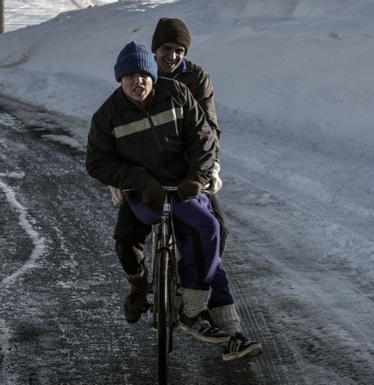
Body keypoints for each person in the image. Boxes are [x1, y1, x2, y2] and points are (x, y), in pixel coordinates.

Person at [86, 41, 262, 361]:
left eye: (143, 75)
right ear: (119, 79)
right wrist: (138, 182)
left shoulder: (179, 94)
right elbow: (96, 162)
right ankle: (142, 288)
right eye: (129, 76)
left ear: (153, 75)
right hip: (144, 194)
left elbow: (204, 138)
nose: (137, 81)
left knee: (209, 227)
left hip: (181, 187)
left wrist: (197, 176)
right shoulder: (107, 115)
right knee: (127, 239)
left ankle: (192, 309)